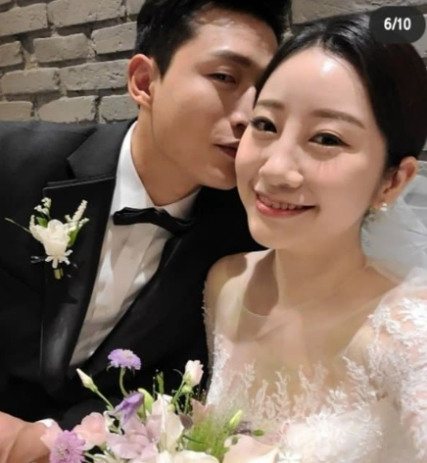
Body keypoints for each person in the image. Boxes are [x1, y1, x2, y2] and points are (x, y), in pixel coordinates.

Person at [0, 0, 290, 461]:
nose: (250, 116)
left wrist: (53, 443)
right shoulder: (13, 161)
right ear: (143, 81)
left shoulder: (246, 241)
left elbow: (179, 392)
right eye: (225, 77)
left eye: (266, 91)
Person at [205, 12, 427, 462]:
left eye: (326, 139)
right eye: (265, 125)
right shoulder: (226, 284)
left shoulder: (410, 334)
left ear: (393, 181)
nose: (275, 169)